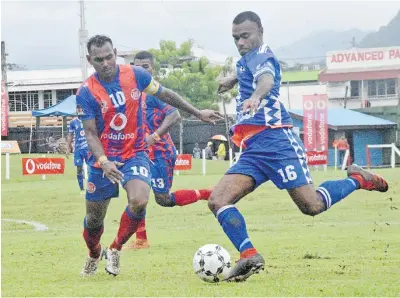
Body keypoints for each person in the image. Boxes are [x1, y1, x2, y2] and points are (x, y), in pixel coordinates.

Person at [211, 11, 389, 282]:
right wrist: (232, 80)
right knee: (218, 200)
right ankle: (249, 254)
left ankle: (357, 180)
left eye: (245, 36)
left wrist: (257, 97)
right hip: (254, 148)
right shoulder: (247, 58)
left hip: (277, 142)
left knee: (312, 205)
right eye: (236, 38)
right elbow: (249, 70)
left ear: (260, 31)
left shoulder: (263, 56)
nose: (240, 42)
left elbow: (266, 80)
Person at [77, 35, 223, 277]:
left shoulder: (136, 75)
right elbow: (91, 133)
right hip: (102, 160)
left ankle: (115, 249)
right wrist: (103, 162)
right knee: (94, 220)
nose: (105, 63)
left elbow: (166, 95)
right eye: (99, 59)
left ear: (115, 52)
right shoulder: (86, 92)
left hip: (135, 153)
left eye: (109, 57)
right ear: (90, 59)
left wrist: (197, 112)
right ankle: (94, 253)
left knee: (141, 199)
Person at [125, 51, 214, 250]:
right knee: (135, 194)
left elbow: (174, 116)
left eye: (145, 66)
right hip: (140, 154)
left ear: (152, 69)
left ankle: (207, 193)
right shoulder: (132, 92)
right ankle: (141, 240)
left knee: (163, 200)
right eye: (136, 66)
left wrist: (154, 137)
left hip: (160, 153)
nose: (140, 70)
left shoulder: (155, 93)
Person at [66, 115, 89, 194]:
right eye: (78, 108)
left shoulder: (88, 119)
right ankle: (82, 188)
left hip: (88, 148)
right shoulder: (73, 122)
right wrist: (68, 147)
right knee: (79, 168)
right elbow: (70, 135)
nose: (79, 110)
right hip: (78, 149)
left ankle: (91, 186)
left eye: (80, 108)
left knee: (90, 167)